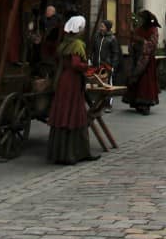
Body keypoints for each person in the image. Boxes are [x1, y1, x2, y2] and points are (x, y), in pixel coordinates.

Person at [47, 14, 99, 164]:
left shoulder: (64, 43)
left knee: (63, 114)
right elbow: (76, 64)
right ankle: (74, 153)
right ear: (79, 29)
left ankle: (61, 153)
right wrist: (87, 66)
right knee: (74, 114)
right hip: (72, 82)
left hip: (63, 79)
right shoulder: (77, 44)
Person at [123, 9, 160, 115]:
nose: (141, 20)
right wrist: (133, 46)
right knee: (136, 81)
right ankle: (136, 103)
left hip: (147, 60)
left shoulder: (153, 29)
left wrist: (143, 44)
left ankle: (145, 104)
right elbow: (132, 41)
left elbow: (152, 44)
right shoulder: (138, 29)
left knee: (145, 82)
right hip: (136, 58)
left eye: (143, 18)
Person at [91, 18, 121, 110]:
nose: (100, 28)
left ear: (107, 28)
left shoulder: (112, 38)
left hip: (107, 65)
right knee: (99, 85)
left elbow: (116, 53)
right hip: (97, 65)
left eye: (102, 26)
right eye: (100, 26)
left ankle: (108, 104)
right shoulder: (96, 36)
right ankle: (99, 103)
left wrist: (113, 66)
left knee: (108, 85)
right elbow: (93, 50)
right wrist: (91, 59)